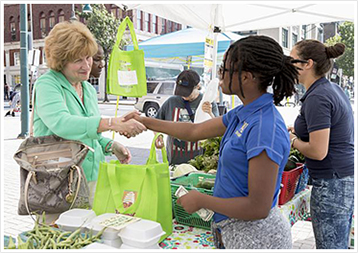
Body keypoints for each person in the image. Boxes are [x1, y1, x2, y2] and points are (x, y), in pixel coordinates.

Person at [124, 35, 299, 249]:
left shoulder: (264, 127)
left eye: (225, 69)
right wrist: (145, 121)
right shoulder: (244, 113)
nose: (220, 75)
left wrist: (202, 200)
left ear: (246, 77)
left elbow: (258, 207)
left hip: (257, 238)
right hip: (234, 230)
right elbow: (194, 130)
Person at [32, 21, 146, 223]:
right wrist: (111, 122)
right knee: (56, 237)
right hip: (56, 185)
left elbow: (88, 133)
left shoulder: (88, 90)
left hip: (92, 180)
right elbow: (63, 124)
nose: (87, 65)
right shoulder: (47, 84)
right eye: (78, 60)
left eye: (88, 58)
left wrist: (111, 145)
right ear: (61, 61)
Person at [289, 40, 354, 249]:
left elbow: (318, 151)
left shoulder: (318, 97)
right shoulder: (330, 88)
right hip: (341, 180)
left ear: (307, 64)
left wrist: (293, 141)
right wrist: (297, 130)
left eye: (292, 61)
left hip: (331, 184)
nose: (288, 65)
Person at [154, 69, 219, 165]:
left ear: (198, 86)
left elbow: (217, 129)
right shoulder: (171, 102)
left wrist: (209, 113)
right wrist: (157, 136)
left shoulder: (207, 102)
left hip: (199, 162)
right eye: (181, 92)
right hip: (174, 161)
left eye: (187, 92)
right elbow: (156, 122)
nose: (183, 96)